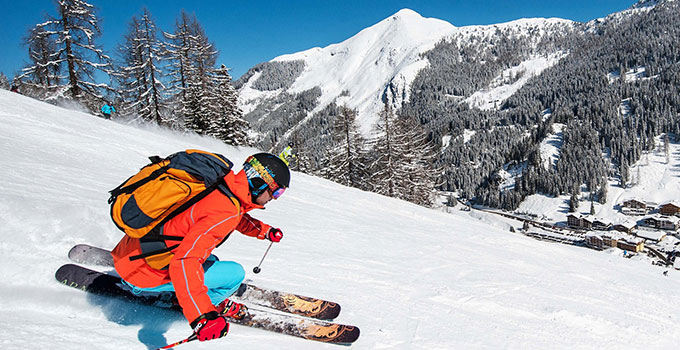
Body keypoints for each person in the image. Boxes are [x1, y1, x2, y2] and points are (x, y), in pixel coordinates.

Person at [111, 152, 290, 342]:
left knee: (213, 261)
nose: (275, 198)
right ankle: (183, 300)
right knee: (234, 275)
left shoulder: (219, 185)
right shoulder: (226, 211)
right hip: (143, 273)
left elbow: (233, 216)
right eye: (276, 191)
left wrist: (264, 231)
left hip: (131, 252)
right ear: (259, 183)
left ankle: (165, 290)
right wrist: (202, 315)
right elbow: (186, 261)